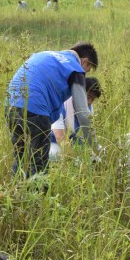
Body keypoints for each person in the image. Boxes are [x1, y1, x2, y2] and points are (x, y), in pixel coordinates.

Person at [6, 42, 99, 177]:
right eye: (87, 70)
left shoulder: (45, 55)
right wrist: (97, 149)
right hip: (36, 108)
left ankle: (15, 193)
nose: (85, 75)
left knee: (21, 158)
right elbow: (83, 113)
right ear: (84, 61)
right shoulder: (75, 68)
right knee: (39, 165)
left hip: (11, 105)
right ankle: (38, 196)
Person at [51, 77, 101, 158]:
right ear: (79, 93)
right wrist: (74, 158)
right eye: (88, 97)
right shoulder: (61, 105)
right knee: (54, 154)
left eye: (93, 99)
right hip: (50, 142)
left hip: (71, 141)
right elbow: (59, 138)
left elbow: (89, 134)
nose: (90, 102)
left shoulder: (88, 109)